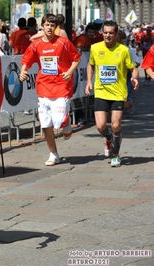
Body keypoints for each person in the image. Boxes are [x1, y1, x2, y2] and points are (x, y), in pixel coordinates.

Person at [19, 13, 81, 166]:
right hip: (43, 87)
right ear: (42, 26)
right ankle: (53, 154)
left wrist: (69, 72)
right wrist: (23, 71)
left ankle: (66, 125)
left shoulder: (63, 42)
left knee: (58, 122)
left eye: (52, 26)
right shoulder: (36, 44)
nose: (49, 28)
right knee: (45, 123)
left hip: (61, 86)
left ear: (55, 28)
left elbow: (77, 58)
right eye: (47, 25)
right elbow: (26, 59)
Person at [85, 20, 139, 168]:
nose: (107, 35)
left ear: (116, 34)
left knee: (115, 124)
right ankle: (109, 139)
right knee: (101, 126)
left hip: (118, 93)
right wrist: (89, 81)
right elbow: (91, 64)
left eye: (111, 33)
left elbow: (133, 68)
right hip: (101, 92)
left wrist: (134, 78)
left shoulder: (123, 50)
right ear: (102, 33)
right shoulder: (95, 48)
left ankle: (115, 155)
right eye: (105, 32)